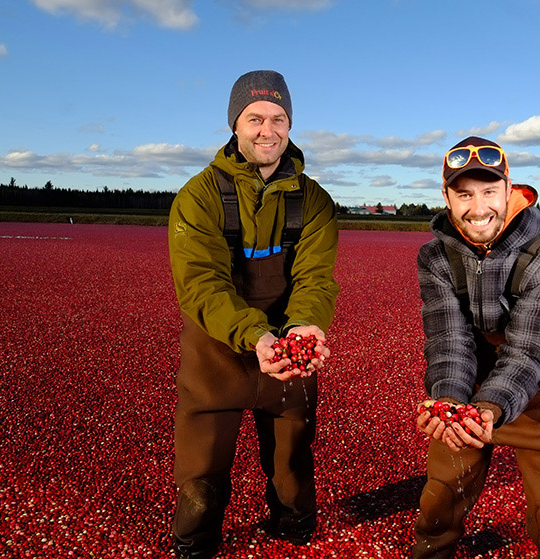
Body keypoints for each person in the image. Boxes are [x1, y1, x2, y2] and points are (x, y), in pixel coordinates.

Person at [167, 70, 340, 559]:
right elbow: (201, 285)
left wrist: (305, 326)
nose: (268, 130)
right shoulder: (198, 197)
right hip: (217, 350)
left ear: (290, 123)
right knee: (202, 471)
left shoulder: (315, 202)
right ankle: (195, 539)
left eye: (279, 118)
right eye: (255, 118)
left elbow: (316, 279)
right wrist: (255, 335)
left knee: (292, 460)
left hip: (289, 351)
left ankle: (293, 526)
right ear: (235, 124)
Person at [412, 136, 540, 559]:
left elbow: (530, 351)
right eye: (464, 194)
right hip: (467, 390)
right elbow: (449, 338)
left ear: (510, 190)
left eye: (490, 191)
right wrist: (451, 403)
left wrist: (490, 407)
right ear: (447, 197)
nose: (479, 208)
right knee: (441, 496)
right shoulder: (435, 256)